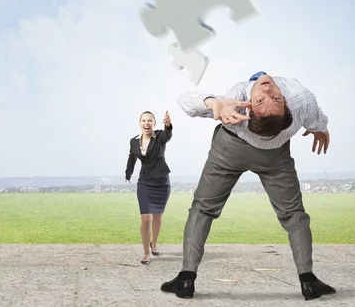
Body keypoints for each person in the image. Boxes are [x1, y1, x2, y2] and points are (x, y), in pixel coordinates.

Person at [160, 72, 336, 301]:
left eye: (269, 100)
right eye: (271, 99)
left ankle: (185, 280)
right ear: (288, 105)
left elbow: (186, 101)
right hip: (274, 155)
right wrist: (321, 129)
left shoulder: (237, 98)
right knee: (293, 214)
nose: (268, 92)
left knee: (203, 208)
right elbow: (316, 121)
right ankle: (309, 282)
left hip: (229, 151)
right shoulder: (300, 98)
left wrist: (213, 103)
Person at [125, 110, 173, 265]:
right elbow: (132, 157)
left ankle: (154, 243)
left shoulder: (159, 136)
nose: (146, 123)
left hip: (161, 182)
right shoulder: (134, 141)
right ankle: (146, 253)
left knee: (157, 217)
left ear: (154, 123)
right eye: (143, 120)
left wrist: (168, 126)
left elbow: (168, 135)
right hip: (145, 182)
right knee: (146, 217)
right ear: (140, 123)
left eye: (149, 121)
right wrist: (128, 173)